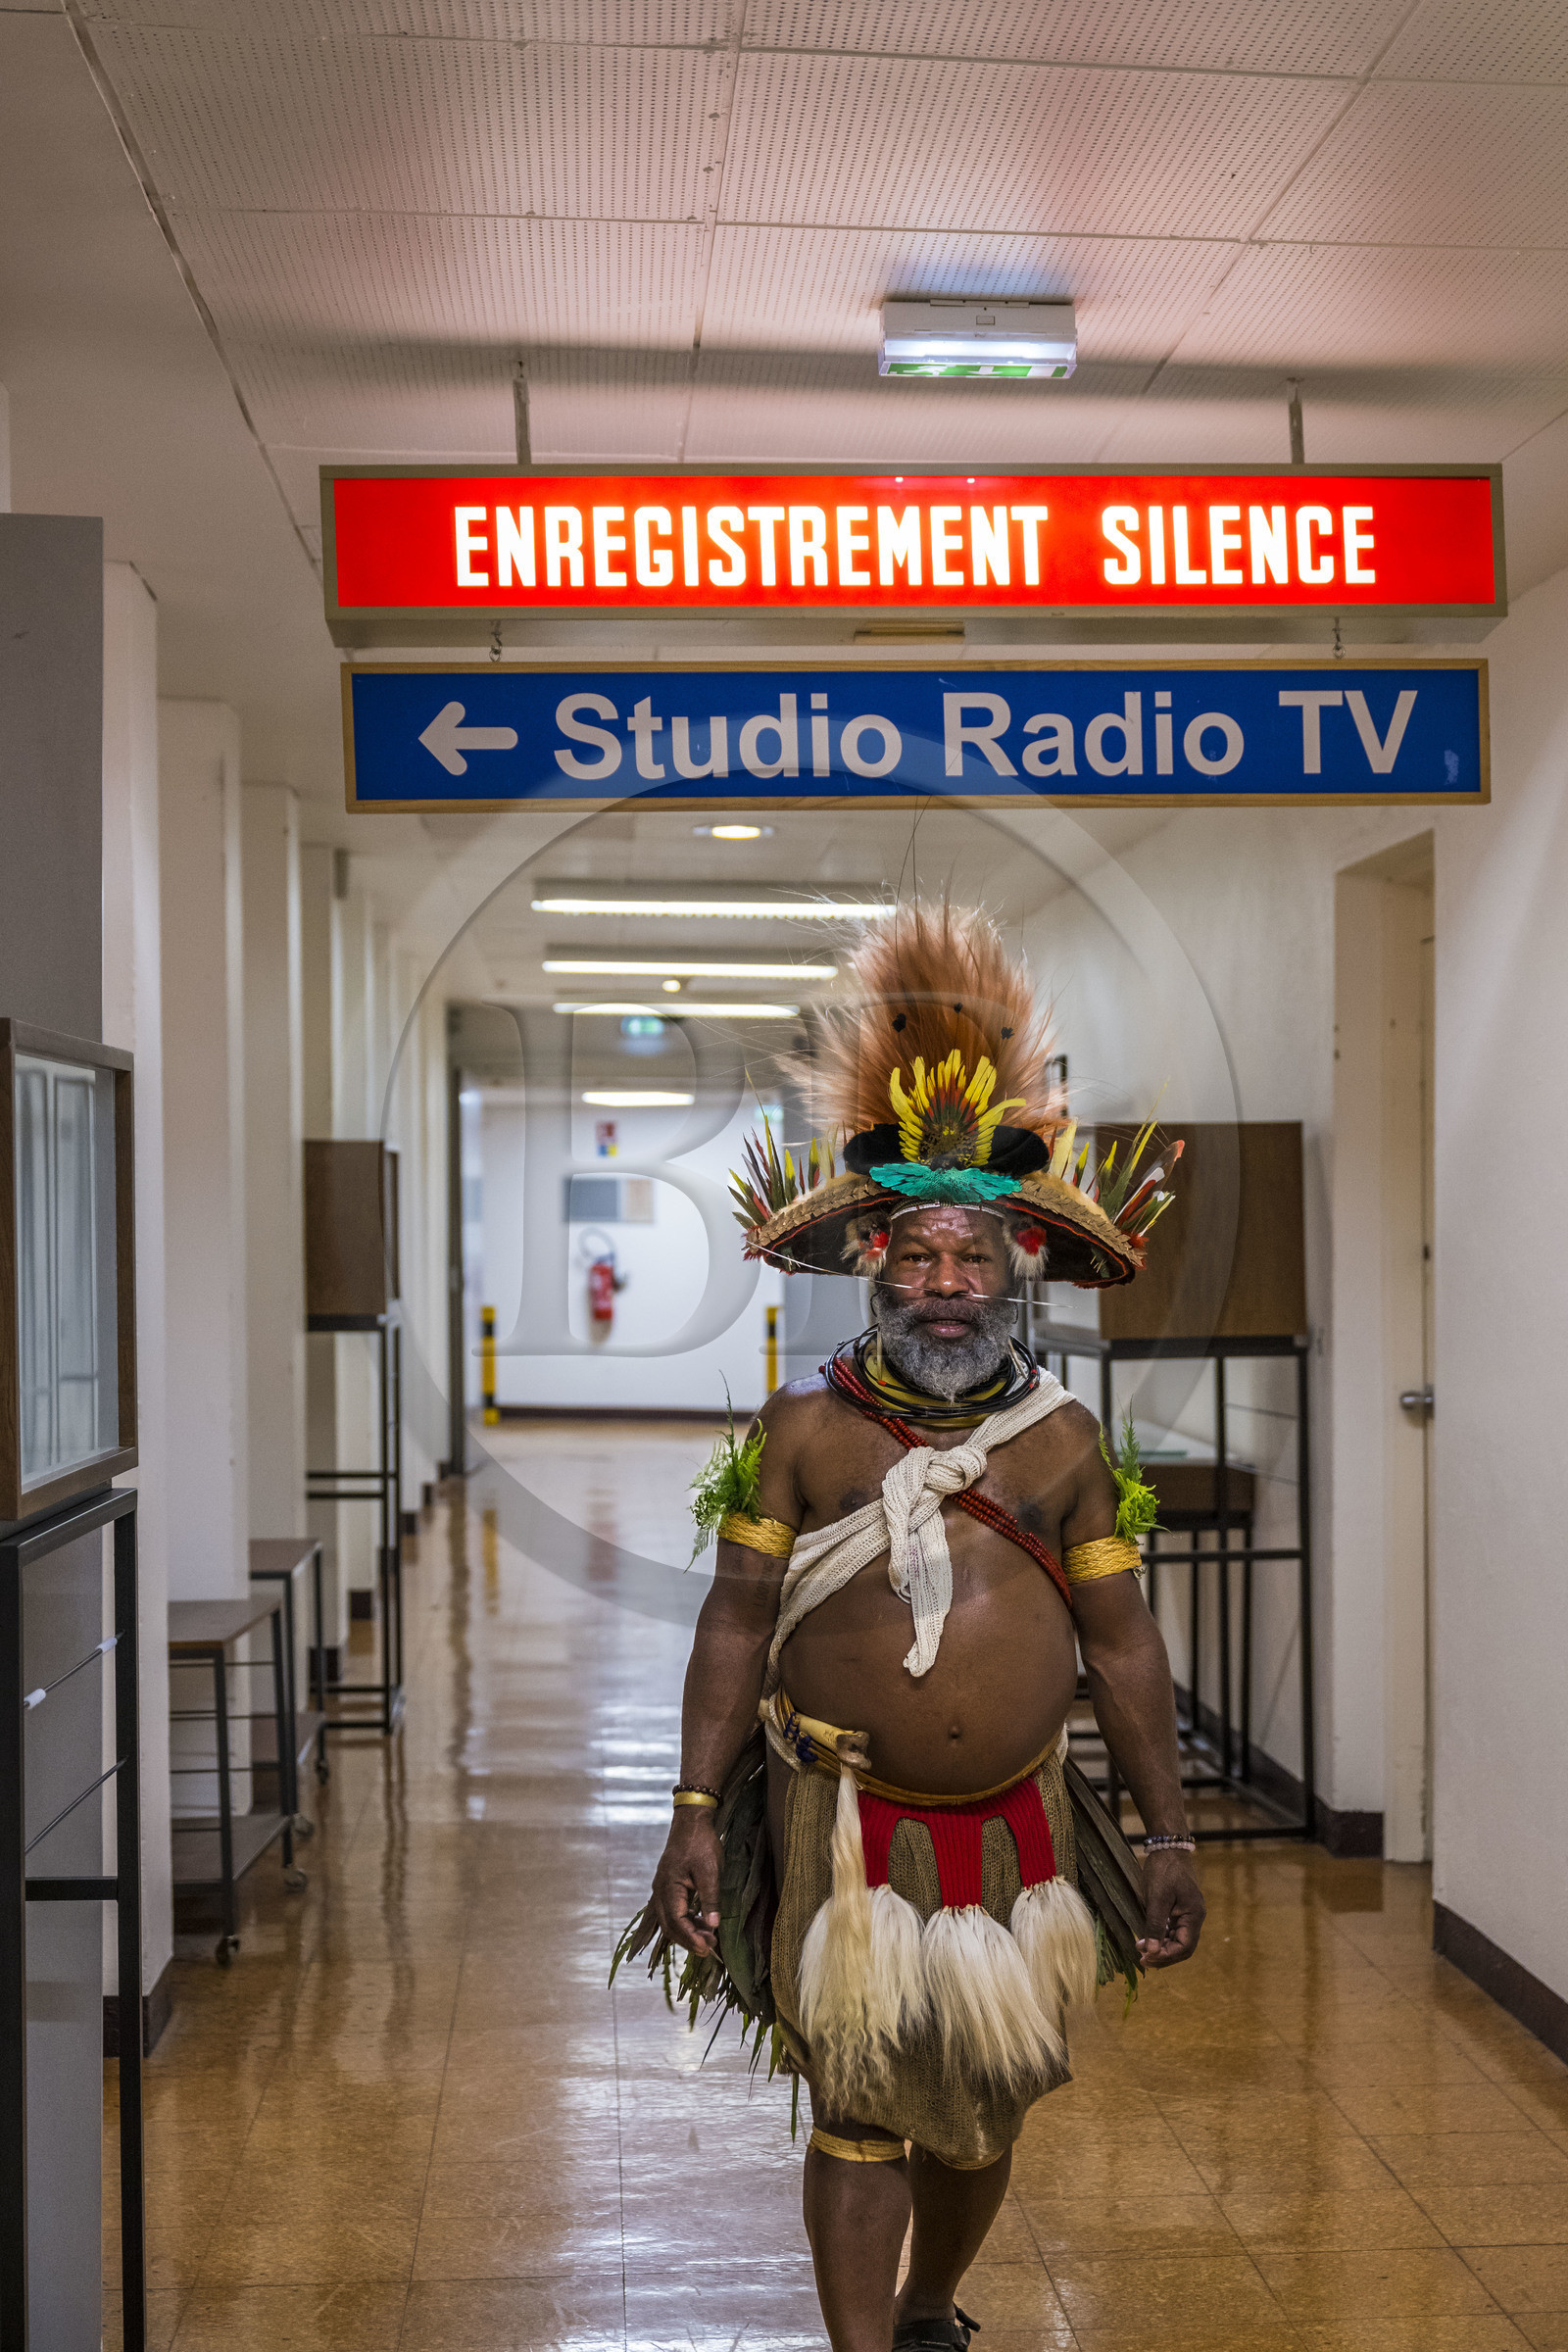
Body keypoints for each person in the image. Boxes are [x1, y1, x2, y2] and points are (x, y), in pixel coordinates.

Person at [634, 902, 1204, 2352]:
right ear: (873, 1267)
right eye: (917, 1260)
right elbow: (731, 1621)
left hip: (1020, 1832)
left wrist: (1168, 1831)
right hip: (841, 1825)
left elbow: (1125, 1648)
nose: (945, 1285)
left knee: (986, 2104)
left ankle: (931, 2306)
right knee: (858, 2108)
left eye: (972, 1260)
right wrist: (697, 1808)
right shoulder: (807, 1431)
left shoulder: (1066, 1442)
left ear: (1016, 1270)